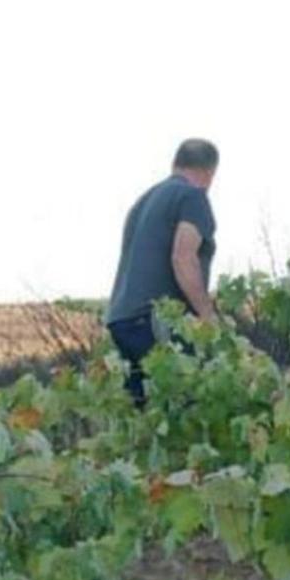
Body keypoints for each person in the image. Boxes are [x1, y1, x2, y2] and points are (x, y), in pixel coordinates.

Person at [106, 138, 219, 404]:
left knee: (147, 415)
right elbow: (183, 256)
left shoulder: (144, 200)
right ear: (209, 172)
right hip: (156, 322)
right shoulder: (192, 197)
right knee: (186, 405)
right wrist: (206, 314)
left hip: (122, 320)